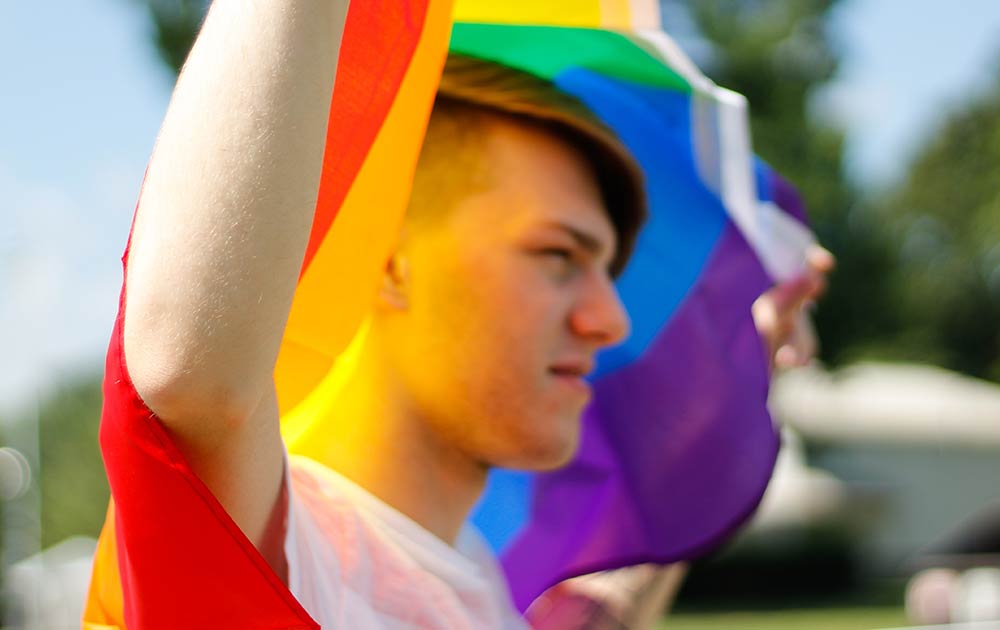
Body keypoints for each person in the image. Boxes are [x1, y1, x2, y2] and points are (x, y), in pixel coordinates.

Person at [84, 2, 832, 628]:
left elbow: (604, 616)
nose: (611, 321)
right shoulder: (296, 561)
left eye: (607, 269)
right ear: (391, 261)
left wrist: (726, 387)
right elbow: (191, 385)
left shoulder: (477, 590)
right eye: (558, 256)